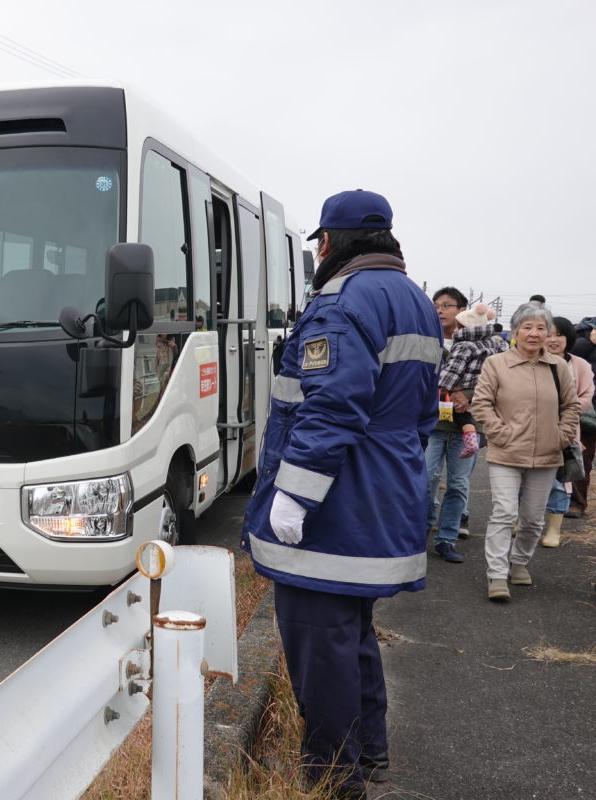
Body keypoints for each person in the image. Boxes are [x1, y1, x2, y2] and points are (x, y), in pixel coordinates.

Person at [242, 190, 440, 798]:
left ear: (329, 241)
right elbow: (421, 414)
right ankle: (368, 750)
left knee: (321, 648)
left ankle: (333, 777)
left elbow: (331, 407)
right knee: (353, 636)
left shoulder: (340, 302)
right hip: (386, 490)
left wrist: (293, 496)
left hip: (336, 504)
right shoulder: (415, 300)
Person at [471, 303, 580, 600]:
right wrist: (500, 433)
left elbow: (571, 406)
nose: (534, 333)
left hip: (547, 454)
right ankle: (496, 574)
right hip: (506, 453)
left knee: (532, 519)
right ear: (515, 331)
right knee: (504, 513)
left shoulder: (558, 367)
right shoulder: (496, 364)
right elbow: (481, 403)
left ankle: (519, 562)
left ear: (548, 333)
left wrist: (561, 436)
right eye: (527, 327)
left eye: (541, 328)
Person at [424, 286, 475, 562]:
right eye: (436, 305)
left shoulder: (480, 343)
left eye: (447, 305)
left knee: (457, 485)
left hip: (465, 428)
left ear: (463, 310)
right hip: (432, 424)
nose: (440, 310)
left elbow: (492, 379)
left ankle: (447, 539)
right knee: (425, 479)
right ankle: (422, 528)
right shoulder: (426, 339)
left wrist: (467, 395)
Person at [540, 317, 593, 546]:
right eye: (549, 334)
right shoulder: (532, 361)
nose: (553, 340)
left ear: (568, 338)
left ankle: (554, 529)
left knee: (560, 480)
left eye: (559, 335)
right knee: (525, 477)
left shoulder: (579, 365)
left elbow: (587, 397)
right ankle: (521, 521)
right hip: (532, 429)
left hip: (566, 430)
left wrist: (564, 407)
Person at [437, 302, 507, 460]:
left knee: (460, 411)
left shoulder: (463, 345)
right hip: (482, 388)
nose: (455, 331)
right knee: (467, 413)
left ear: (467, 328)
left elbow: (454, 369)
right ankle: (472, 439)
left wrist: (442, 387)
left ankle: (470, 440)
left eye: (458, 327)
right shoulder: (494, 344)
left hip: (463, 385)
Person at [568, 314, 596, 516]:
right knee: (581, 457)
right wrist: (589, 341)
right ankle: (576, 503)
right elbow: (570, 353)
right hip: (588, 409)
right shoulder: (584, 332)